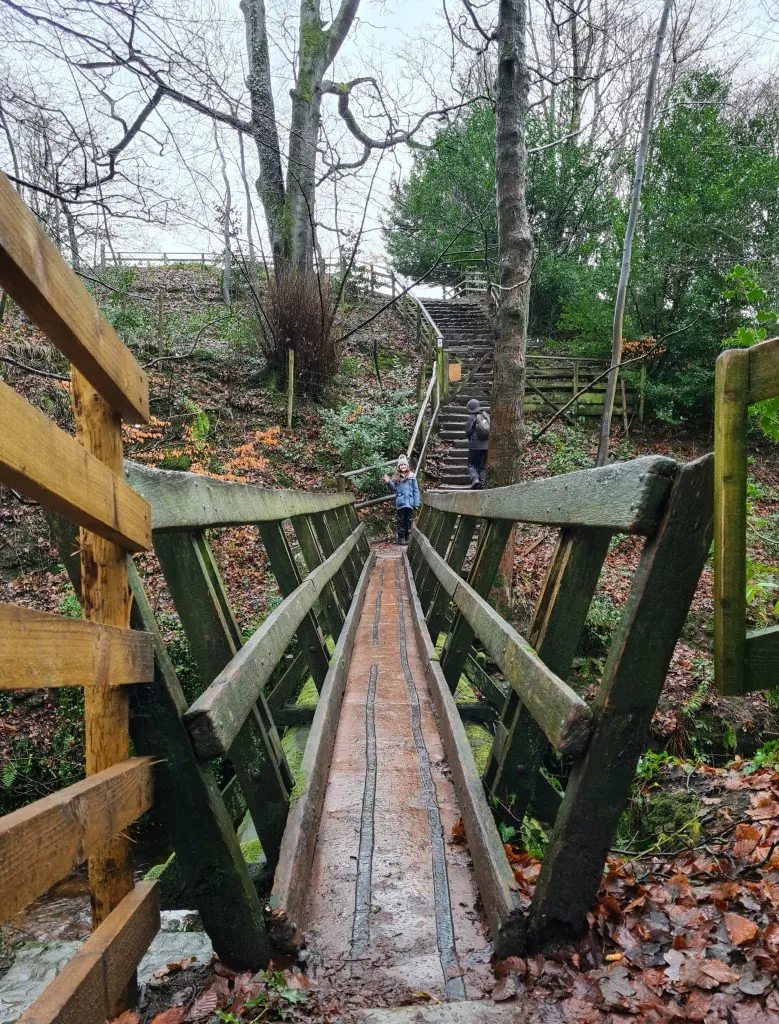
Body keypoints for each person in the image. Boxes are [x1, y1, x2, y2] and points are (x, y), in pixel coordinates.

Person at [383, 454, 420, 545]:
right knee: (400, 521)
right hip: (401, 503)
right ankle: (400, 538)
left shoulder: (412, 476)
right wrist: (388, 482)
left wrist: (416, 503)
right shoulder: (396, 476)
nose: (403, 466)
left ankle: (407, 537)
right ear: (399, 466)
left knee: (408, 520)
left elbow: (416, 490)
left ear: (407, 466)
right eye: (401, 465)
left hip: (410, 503)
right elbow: (393, 489)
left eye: (404, 465)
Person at [465, 398, 489, 489]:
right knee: (483, 466)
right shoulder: (486, 415)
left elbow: (468, 431)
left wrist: (470, 439)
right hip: (487, 445)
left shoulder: (472, 417)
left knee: (471, 464)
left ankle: (475, 480)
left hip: (475, 445)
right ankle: (483, 485)